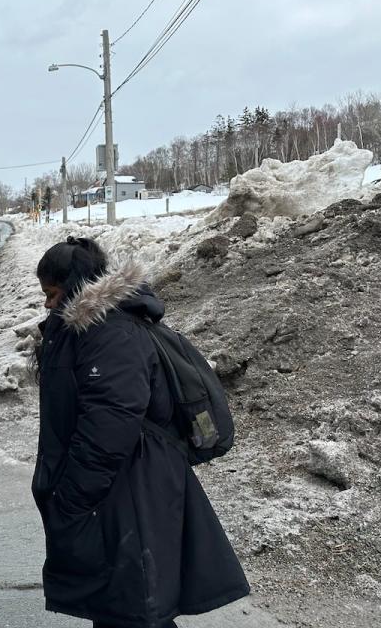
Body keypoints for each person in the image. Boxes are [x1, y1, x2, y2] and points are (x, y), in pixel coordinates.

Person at [31, 236, 249, 628]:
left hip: (130, 485)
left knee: (133, 604)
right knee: (122, 604)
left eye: (52, 293)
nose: (47, 303)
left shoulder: (110, 334)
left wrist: (73, 496)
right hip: (122, 483)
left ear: (76, 285)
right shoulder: (88, 330)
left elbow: (110, 423)